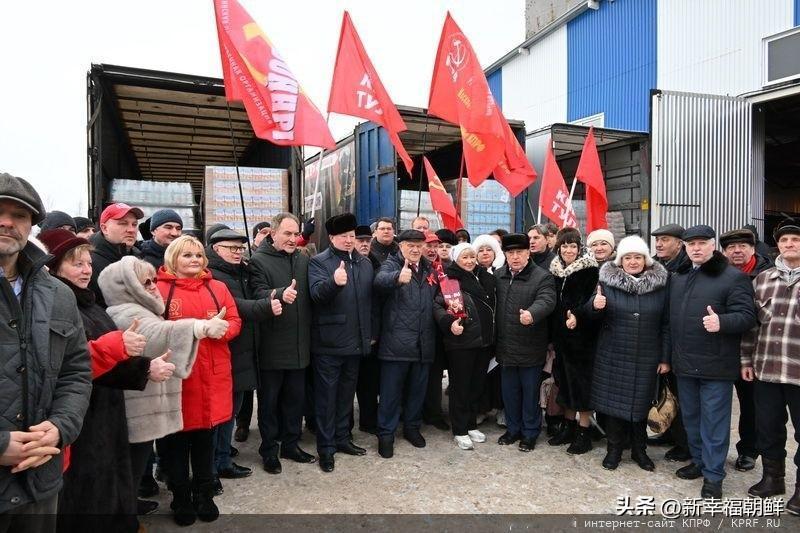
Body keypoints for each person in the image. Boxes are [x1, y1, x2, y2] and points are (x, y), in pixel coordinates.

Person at [37, 230, 158, 531]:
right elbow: (69, 363)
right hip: (78, 417)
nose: (87, 269)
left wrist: (142, 366)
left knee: (108, 480)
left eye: (88, 263)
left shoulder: (87, 303)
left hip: (104, 411)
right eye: (76, 263)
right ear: (53, 267)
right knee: (85, 491)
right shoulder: (57, 306)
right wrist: (137, 362)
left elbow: (109, 359)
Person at [0, 173, 92, 532]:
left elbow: (75, 371)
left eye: (19, 215)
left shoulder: (58, 293)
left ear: (31, 226)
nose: (7, 222)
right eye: (0, 212)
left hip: (40, 479)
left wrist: (59, 427)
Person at [100, 256, 211, 517]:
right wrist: (199, 325)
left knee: (133, 468)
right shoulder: (125, 312)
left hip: (144, 403)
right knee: (129, 468)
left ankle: (127, 509)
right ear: (127, 286)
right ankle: (123, 518)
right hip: (136, 408)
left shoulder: (141, 308)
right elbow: (155, 335)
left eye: (152, 280)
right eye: (144, 282)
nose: (152, 285)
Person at [156, 235, 241, 525]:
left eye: (197, 255)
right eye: (186, 255)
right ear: (173, 259)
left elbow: (234, 320)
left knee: (205, 440)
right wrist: (198, 330)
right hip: (177, 379)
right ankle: (181, 497)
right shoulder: (158, 290)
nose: (194, 260)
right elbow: (151, 330)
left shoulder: (218, 287)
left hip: (211, 376)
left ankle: (205, 493)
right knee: (176, 444)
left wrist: (223, 331)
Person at [668, 225, 756, 499]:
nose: (696, 248)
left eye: (701, 243)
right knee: (692, 419)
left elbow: (747, 316)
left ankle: (714, 476)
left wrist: (722, 322)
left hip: (716, 366)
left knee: (715, 423)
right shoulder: (679, 277)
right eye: (690, 244)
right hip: (685, 364)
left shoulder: (732, 278)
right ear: (685, 247)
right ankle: (699, 461)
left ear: (712, 245)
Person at [585, 236, 670, 471]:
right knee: (613, 406)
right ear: (620, 260)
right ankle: (614, 449)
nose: (633, 262)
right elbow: (589, 318)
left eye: (638, 257)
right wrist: (594, 305)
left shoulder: (660, 285)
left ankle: (639, 450)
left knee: (642, 404)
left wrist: (665, 357)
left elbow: (666, 324)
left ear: (646, 259)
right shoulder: (606, 283)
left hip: (647, 355)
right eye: (628, 257)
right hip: (614, 353)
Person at [208, 228, 278, 486]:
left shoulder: (242, 271)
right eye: (231, 248)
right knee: (220, 414)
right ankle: (215, 465)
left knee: (230, 411)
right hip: (224, 353)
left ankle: (223, 458)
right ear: (216, 249)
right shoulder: (214, 276)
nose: (237, 252)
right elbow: (234, 306)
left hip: (243, 352)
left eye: (240, 248)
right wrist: (266, 306)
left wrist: (269, 294)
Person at [740, 218, 800, 515]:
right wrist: (746, 360)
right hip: (766, 368)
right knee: (768, 428)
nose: (789, 245)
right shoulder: (763, 279)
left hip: (798, 371)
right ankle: (773, 478)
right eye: (785, 240)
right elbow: (752, 326)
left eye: (795, 240)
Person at [249, 213, 316, 474]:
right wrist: (278, 294)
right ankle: (269, 451)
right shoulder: (258, 261)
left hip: (300, 347)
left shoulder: (303, 258)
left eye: (295, 233)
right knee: (269, 404)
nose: (292, 238)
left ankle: (290, 444)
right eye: (286, 234)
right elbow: (256, 293)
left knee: (295, 401)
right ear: (272, 234)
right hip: (272, 348)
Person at [308, 214, 373, 472]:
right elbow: (316, 295)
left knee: (346, 397)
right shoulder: (318, 262)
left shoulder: (364, 263)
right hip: (329, 344)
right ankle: (326, 448)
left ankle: (343, 439)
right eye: (343, 236)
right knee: (326, 399)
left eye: (351, 236)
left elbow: (370, 303)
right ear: (332, 238)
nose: (349, 240)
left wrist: (370, 333)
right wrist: (334, 284)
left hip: (356, 343)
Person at [374, 229, 438, 458]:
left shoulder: (430, 269)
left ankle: (412, 428)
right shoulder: (391, 265)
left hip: (423, 343)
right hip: (396, 344)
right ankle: (386, 434)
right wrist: (396, 279)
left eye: (419, 245)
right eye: (410, 244)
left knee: (417, 392)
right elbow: (379, 281)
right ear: (400, 246)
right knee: (391, 394)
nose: (415, 249)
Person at [494, 234, 556, 451]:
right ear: (505, 255)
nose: (515, 257)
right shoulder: (498, 275)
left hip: (530, 346)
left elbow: (547, 300)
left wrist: (532, 313)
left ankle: (530, 433)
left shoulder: (542, 277)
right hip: (505, 346)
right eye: (510, 253)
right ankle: (513, 429)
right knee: (509, 392)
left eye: (520, 252)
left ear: (528, 253)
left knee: (530, 394)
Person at [719, 228, 773, 473]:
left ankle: (749, 451)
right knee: (715, 404)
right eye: (731, 247)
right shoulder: (718, 273)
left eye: (742, 247)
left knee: (750, 406)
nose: (736, 251)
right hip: (721, 349)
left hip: (753, 352)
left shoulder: (766, 275)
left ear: (753, 249)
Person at [432, 243, 496, 450]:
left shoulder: (484, 276)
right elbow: (439, 306)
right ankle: (459, 429)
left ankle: (470, 424)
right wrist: (449, 323)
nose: (469, 261)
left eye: (471, 257)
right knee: (460, 387)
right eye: (464, 258)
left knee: (476, 385)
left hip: (483, 341)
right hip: (461, 342)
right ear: (456, 260)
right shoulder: (450, 279)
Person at [547, 227, 600, 455]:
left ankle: (583, 431)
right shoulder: (555, 271)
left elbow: (592, 303)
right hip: (561, 339)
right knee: (564, 382)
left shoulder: (590, 271)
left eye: (573, 246)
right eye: (564, 246)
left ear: (580, 249)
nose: (568, 250)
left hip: (583, 339)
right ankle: (568, 426)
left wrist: (577, 316)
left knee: (582, 386)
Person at [648, 222, 691, 462]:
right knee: (665, 392)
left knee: (681, 395)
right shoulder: (655, 266)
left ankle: (684, 444)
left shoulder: (686, 268)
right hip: (659, 338)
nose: (660, 244)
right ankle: (668, 432)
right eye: (657, 239)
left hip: (679, 340)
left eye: (665, 239)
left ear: (679, 243)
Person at [89, 202, 144, 307]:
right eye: (123, 223)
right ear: (104, 228)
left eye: (134, 224)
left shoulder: (139, 258)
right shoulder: (89, 262)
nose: (131, 230)